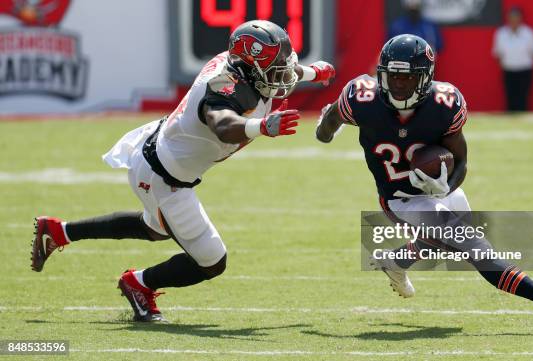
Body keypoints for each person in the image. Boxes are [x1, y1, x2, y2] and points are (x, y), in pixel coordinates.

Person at [30, 20, 335, 322]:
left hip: (161, 154)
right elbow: (223, 124)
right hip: (164, 176)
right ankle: (138, 283)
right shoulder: (223, 85)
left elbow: (276, 73)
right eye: (275, 68)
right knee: (212, 261)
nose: (282, 74)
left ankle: (59, 231)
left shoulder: (248, 71)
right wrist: (261, 126)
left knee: (156, 227)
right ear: (249, 67)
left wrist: (312, 72)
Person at [315, 34, 533, 322]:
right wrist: (324, 130)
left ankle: (395, 261)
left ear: (426, 78)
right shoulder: (361, 97)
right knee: (473, 247)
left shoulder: (445, 104)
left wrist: (445, 186)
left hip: (439, 189)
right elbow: (328, 125)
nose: (398, 84)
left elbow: (462, 161)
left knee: (444, 242)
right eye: (392, 75)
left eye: (407, 77)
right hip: (401, 199)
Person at [492, 7, 533, 112]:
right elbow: (497, 53)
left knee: (523, 97)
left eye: (516, 17)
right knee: (510, 97)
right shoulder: (501, 33)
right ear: (508, 19)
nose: (514, 20)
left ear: (520, 18)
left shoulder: (529, 33)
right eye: (511, 18)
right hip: (508, 70)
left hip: (525, 70)